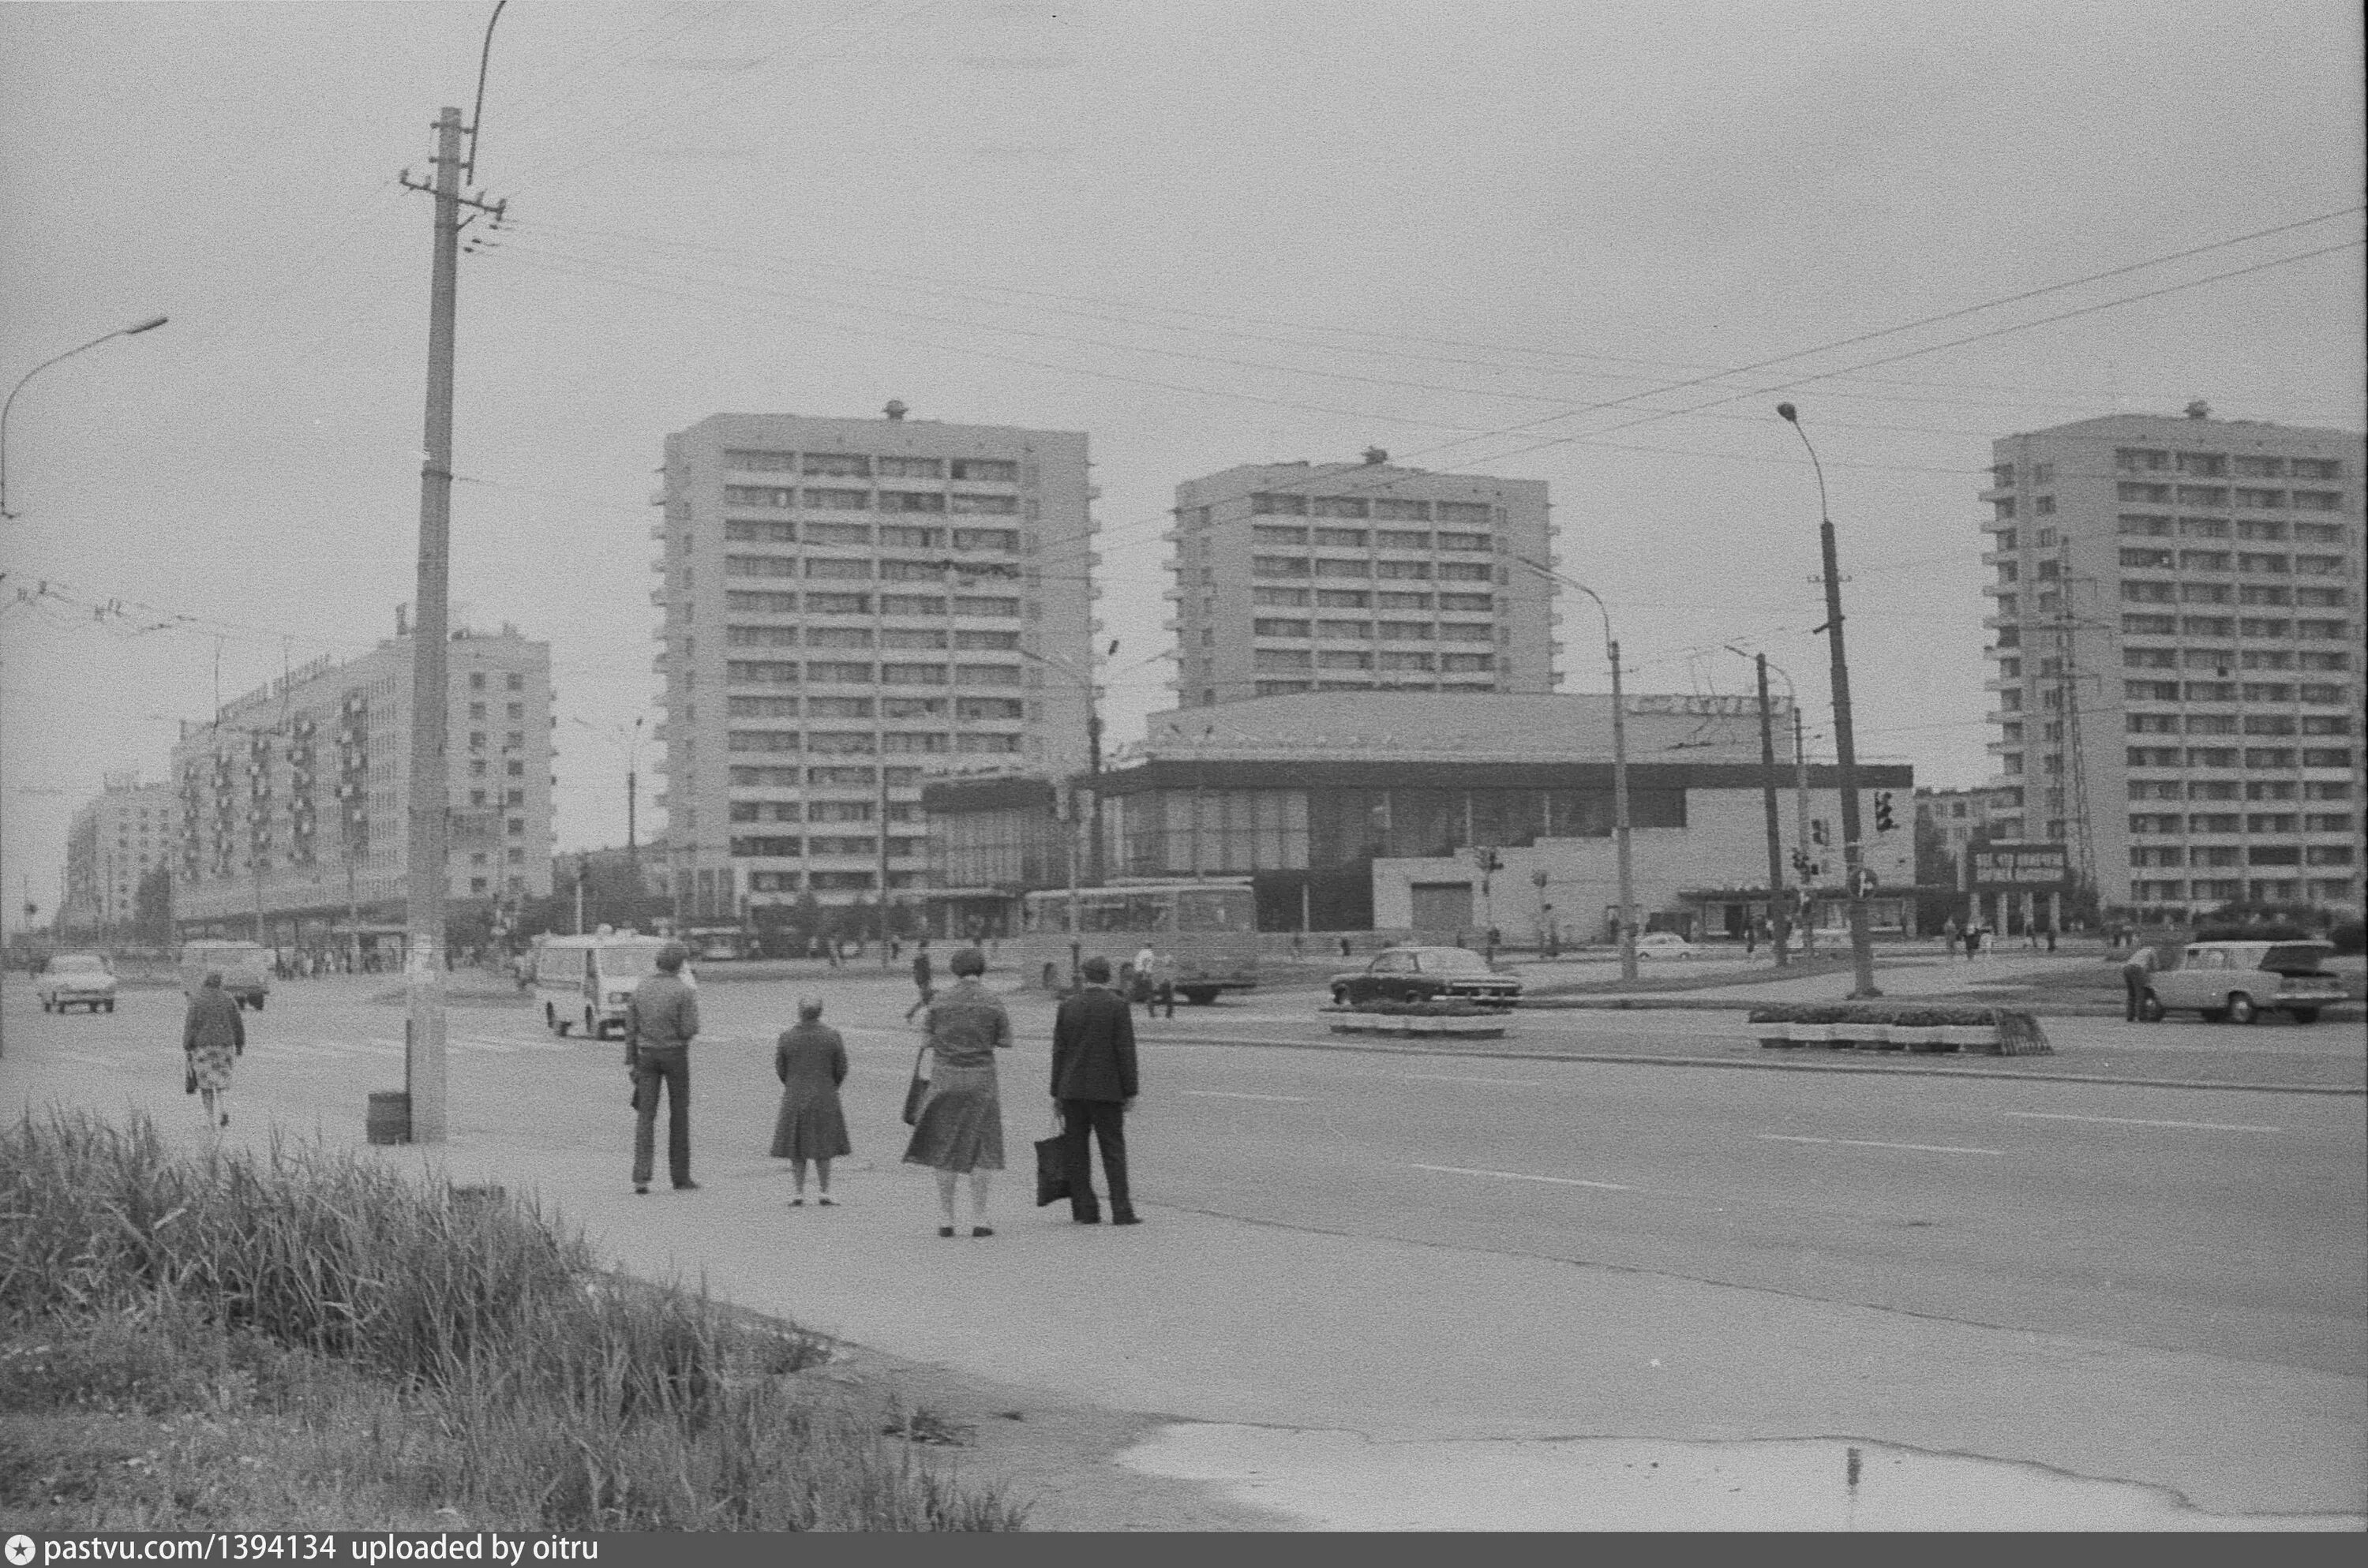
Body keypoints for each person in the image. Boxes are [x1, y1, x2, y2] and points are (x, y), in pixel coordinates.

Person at [903, 945, 1010, 1237]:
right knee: (981, 1148)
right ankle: (980, 1218)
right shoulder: (993, 1001)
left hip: (945, 1080)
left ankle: (946, 1218)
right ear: (982, 969)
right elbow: (1005, 1040)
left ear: (954, 970)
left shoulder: (939, 1002)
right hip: (981, 1082)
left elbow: (925, 1041)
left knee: (944, 1146)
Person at [1051, 955, 1141, 1226]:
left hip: (1072, 1090)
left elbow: (1059, 1051)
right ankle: (1121, 1210)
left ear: (1084, 977)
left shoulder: (1068, 1006)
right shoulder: (1118, 1006)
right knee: (1113, 1149)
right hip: (1107, 1090)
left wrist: (1056, 1092)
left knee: (1077, 1151)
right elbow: (1125, 1049)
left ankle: (1085, 1210)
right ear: (1108, 977)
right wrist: (1130, 1089)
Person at [626, 941, 702, 1195]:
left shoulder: (641, 988)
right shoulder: (684, 991)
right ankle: (680, 1177)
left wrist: (631, 1061)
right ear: (679, 965)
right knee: (679, 1114)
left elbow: (630, 1030)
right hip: (675, 1054)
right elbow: (689, 1029)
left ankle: (641, 1176)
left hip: (646, 1056)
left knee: (645, 1116)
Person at [771, 997, 852, 1205]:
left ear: (799, 1011)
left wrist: (793, 1084)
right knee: (823, 1146)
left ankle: (798, 1192)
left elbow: (781, 1069)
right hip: (825, 1094)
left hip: (795, 1094)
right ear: (820, 1012)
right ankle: (824, 1191)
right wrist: (830, 1085)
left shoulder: (787, 1037)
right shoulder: (832, 1036)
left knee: (796, 1146)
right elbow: (841, 1068)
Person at [182, 970, 244, 1129]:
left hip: (203, 1047)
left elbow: (191, 1025)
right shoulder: (228, 999)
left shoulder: (197, 1000)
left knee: (206, 1085)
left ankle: (210, 1120)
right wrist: (239, 1044)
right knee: (221, 1080)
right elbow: (237, 1023)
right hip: (225, 1046)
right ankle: (223, 1108)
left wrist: (187, 1045)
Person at [2122, 941, 2159, 1022]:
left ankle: (2130, 1016)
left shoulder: (2141, 951)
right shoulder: (2152, 951)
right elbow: (2156, 967)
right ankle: (2141, 1016)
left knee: (2131, 994)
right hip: (2137, 969)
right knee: (2140, 993)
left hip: (2126, 968)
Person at [904, 937, 934, 1022]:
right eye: (927, 947)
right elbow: (921, 971)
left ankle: (910, 1014)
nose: (928, 949)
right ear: (923, 948)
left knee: (926, 1000)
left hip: (924, 981)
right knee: (927, 1000)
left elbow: (917, 971)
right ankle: (930, 1018)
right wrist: (923, 982)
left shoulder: (921, 957)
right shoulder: (922, 958)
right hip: (924, 981)